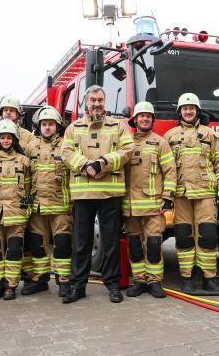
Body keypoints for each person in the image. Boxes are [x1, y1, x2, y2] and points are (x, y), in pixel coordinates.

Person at [60, 85, 134, 304]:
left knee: (110, 242)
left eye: (100, 100)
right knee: (81, 243)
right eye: (92, 100)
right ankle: (78, 286)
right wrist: (85, 165)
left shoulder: (118, 127)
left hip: (110, 193)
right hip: (83, 194)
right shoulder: (73, 127)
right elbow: (66, 152)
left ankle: (112, 285)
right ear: (86, 102)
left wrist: (102, 163)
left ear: (105, 102)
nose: (96, 104)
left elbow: (127, 150)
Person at [164, 93, 219, 293]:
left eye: (192, 108)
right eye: (185, 108)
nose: (188, 111)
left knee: (208, 236)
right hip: (181, 194)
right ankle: (187, 278)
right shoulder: (170, 136)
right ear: (180, 112)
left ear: (197, 111)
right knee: (184, 237)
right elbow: (166, 168)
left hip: (206, 194)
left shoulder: (210, 135)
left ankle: (209, 278)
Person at [123, 102, 176, 298]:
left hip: (154, 206)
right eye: (141, 116)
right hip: (130, 208)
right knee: (135, 246)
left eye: (148, 116)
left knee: (153, 245)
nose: (144, 118)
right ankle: (139, 281)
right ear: (135, 119)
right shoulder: (125, 143)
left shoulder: (160, 143)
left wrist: (168, 198)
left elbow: (170, 171)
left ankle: (154, 282)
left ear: (152, 120)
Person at [0, 96, 35, 289]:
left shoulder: (28, 137)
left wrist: (26, 207)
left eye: (11, 110)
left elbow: (30, 183)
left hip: (17, 208)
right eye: (4, 110)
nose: (7, 113)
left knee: (18, 248)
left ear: (18, 115)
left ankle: (22, 278)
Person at [23, 107, 73, 297]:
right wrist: (25, 205)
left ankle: (64, 282)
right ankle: (40, 279)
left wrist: (72, 204)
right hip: (36, 206)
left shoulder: (66, 146)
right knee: (38, 244)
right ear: (39, 126)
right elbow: (25, 179)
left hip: (60, 205)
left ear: (57, 126)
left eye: (51, 124)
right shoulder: (31, 148)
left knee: (62, 243)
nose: (47, 127)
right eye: (44, 124)